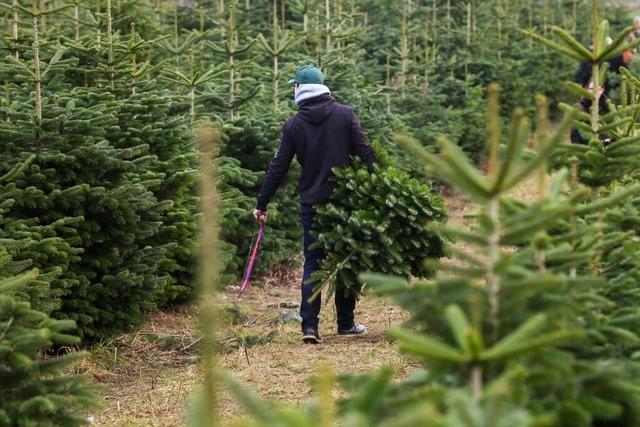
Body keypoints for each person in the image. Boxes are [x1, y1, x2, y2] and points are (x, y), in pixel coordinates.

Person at [253, 65, 377, 344]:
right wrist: (377, 188)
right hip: (346, 204)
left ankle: (310, 327)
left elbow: (277, 168)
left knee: (314, 263)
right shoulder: (345, 115)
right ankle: (345, 324)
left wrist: (262, 203)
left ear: (299, 88)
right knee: (347, 260)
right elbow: (366, 153)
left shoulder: (294, 125)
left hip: (313, 205)